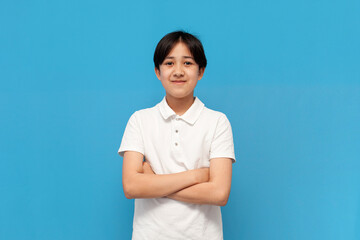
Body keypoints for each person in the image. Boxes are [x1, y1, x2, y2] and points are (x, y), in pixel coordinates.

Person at [118, 30, 235, 240]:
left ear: (201, 71)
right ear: (157, 71)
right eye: (169, 63)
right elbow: (131, 186)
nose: (178, 71)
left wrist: (153, 183)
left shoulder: (217, 122)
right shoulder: (140, 120)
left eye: (188, 63)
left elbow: (219, 193)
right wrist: (196, 176)